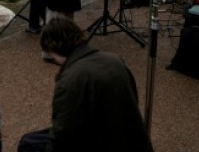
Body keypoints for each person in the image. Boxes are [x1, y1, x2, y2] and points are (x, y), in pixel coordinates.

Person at [17, 18, 154, 152]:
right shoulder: (114, 60)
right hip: (128, 139)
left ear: (52, 48)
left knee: (28, 144)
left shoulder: (69, 81)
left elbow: (62, 137)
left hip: (101, 141)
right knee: (32, 140)